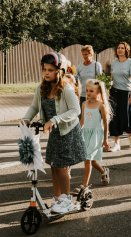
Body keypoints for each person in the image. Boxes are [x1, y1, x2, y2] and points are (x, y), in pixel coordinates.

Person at [22, 52, 86, 214]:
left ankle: (66, 200)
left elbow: (75, 110)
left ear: (60, 71)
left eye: (50, 70)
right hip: (55, 132)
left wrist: (55, 120)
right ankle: (57, 198)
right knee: (53, 163)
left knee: (61, 165)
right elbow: (34, 107)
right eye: (44, 69)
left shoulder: (66, 89)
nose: (46, 73)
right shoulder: (41, 88)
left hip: (68, 131)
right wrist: (26, 119)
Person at [74, 79, 111, 194]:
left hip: (96, 135)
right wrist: (77, 133)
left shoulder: (101, 106)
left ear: (99, 92)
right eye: (87, 90)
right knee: (93, 161)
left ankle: (84, 186)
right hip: (86, 134)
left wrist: (105, 139)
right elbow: (82, 121)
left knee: (88, 160)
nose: (88, 93)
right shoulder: (84, 104)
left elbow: (105, 123)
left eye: (91, 91)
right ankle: (104, 171)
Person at [108, 42, 131, 151]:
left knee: (127, 116)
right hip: (114, 93)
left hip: (126, 92)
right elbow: (111, 78)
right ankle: (116, 143)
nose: (120, 50)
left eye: (122, 48)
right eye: (118, 48)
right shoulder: (114, 63)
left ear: (126, 50)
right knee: (113, 117)